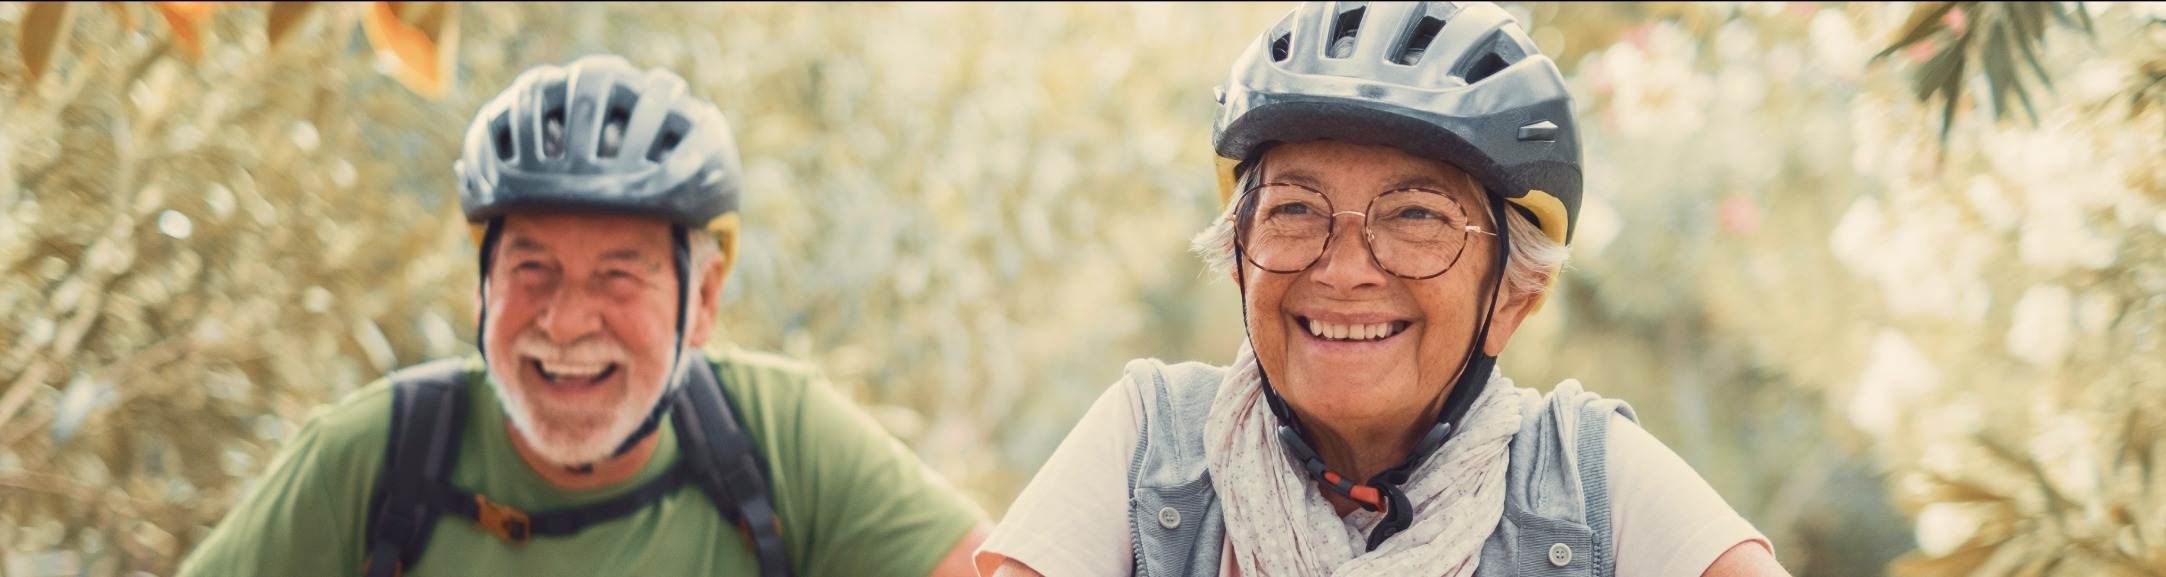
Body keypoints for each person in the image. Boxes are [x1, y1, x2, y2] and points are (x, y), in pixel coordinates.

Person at [977, 3, 1786, 576]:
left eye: (1417, 216)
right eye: (1295, 208)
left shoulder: (1586, 477)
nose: (1345, 268)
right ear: (1240, 253)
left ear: (1512, 295)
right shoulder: (1148, 445)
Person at [178, 55, 988, 577]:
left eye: (618, 275)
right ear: (481, 288)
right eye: (531, 267)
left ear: (701, 303)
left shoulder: (778, 442)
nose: (565, 322)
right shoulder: (375, 461)